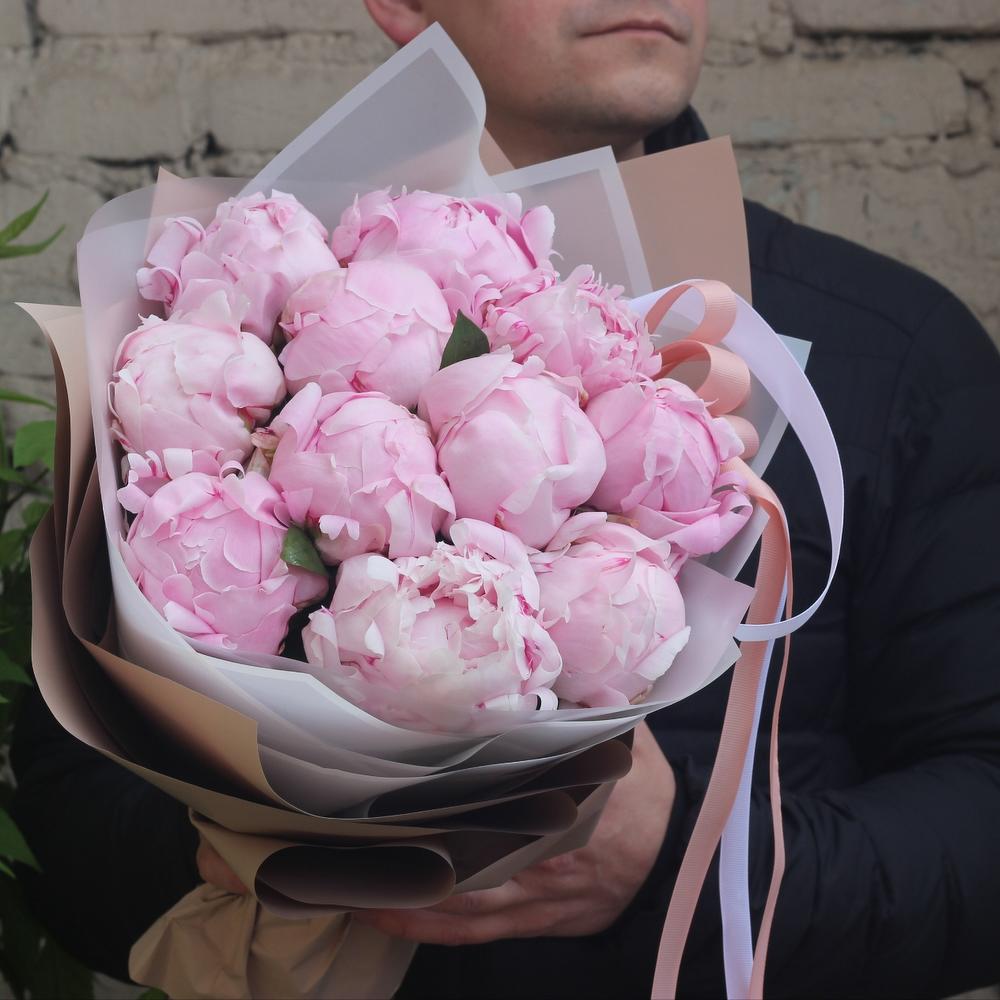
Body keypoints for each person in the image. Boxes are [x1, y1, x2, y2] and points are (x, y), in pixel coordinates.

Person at [11, 1, 1000, 997]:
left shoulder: (896, 352)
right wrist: (221, 848)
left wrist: (682, 860)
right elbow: (55, 811)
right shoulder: (198, 338)